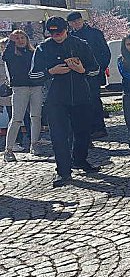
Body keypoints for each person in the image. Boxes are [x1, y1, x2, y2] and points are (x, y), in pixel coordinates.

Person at [29, 17, 100, 187]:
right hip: (56, 100)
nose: (56, 35)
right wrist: (50, 71)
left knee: (83, 133)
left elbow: (95, 69)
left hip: (81, 96)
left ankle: (80, 160)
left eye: (59, 32)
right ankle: (63, 171)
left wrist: (82, 70)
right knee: (59, 136)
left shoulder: (80, 44)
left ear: (66, 29)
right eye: (52, 32)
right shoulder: (43, 48)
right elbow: (33, 75)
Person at [68, 11, 111, 139]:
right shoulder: (69, 36)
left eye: (78, 21)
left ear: (82, 20)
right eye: (73, 22)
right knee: (81, 102)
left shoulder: (94, 33)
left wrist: (100, 68)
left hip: (93, 73)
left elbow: (105, 52)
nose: (76, 23)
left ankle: (99, 128)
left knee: (94, 100)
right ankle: (85, 128)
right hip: (76, 74)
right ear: (70, 24)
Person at [3, 30, 44, 161]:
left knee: (36, 116)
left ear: (27, 39)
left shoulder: (33, 53)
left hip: (36, 86)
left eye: (22, 38)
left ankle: (34, 143)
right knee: (16, 119)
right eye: (18, 38)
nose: (20, 40)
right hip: (20, 88)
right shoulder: (11, 54)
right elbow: (5, 56)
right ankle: (8, 149)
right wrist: (11, 40)